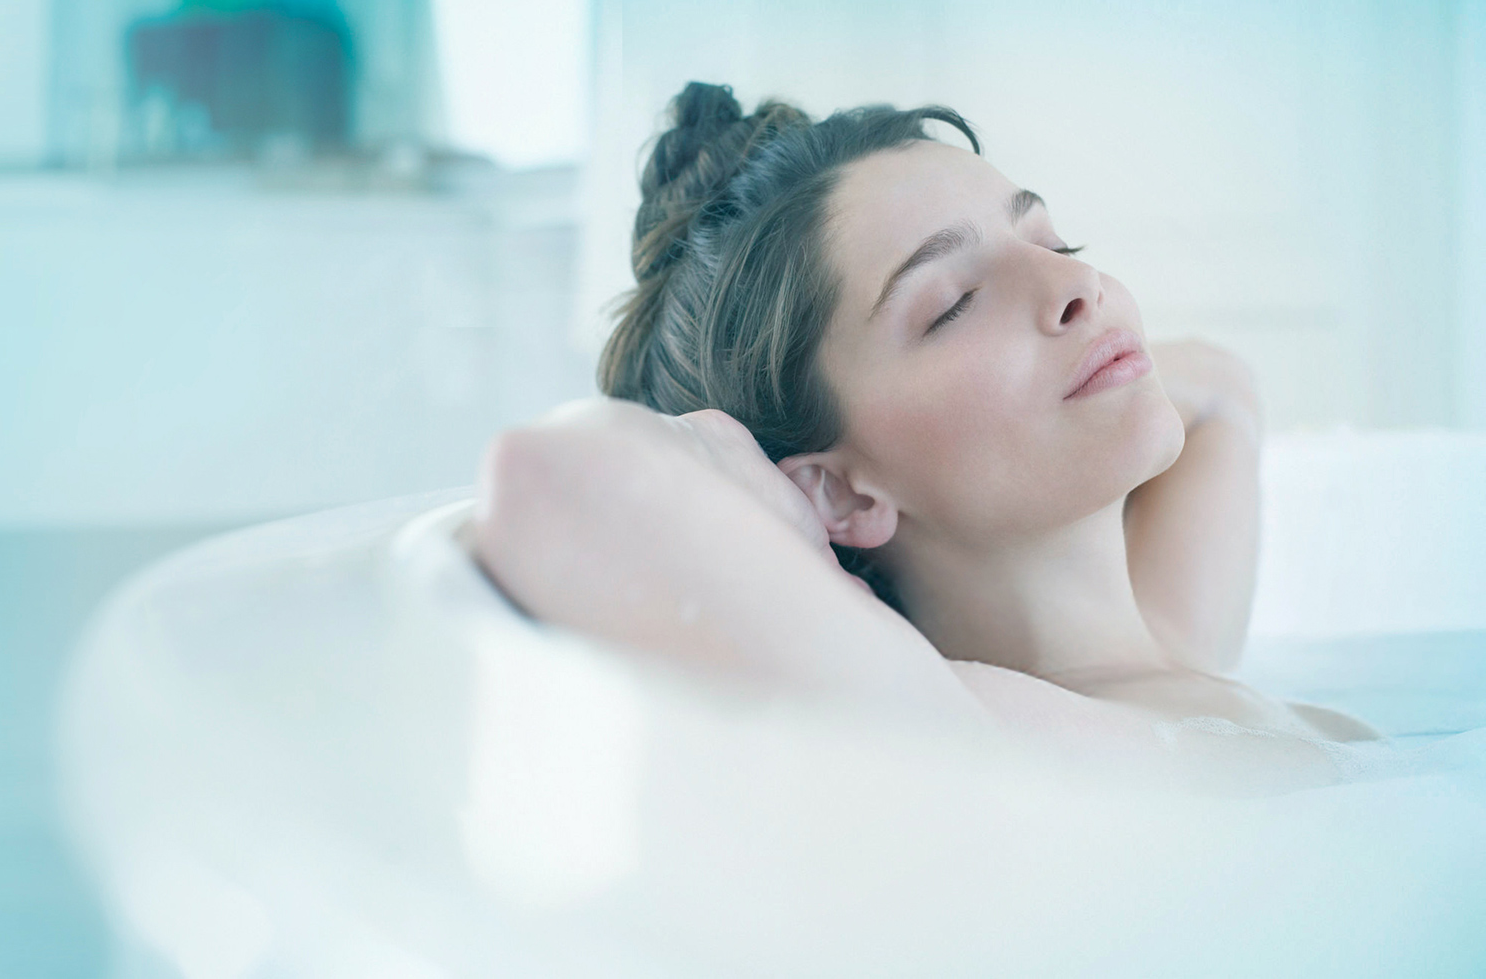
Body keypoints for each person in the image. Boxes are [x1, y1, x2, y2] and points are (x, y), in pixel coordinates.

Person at [470, 82, 1381, 793]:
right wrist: (762, 484)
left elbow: (1223, 388)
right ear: (840, 489)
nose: (1082, 289)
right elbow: (553, 479)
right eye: (953, 305)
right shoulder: (979, 734)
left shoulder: (1177, 646)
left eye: (1053, 242)